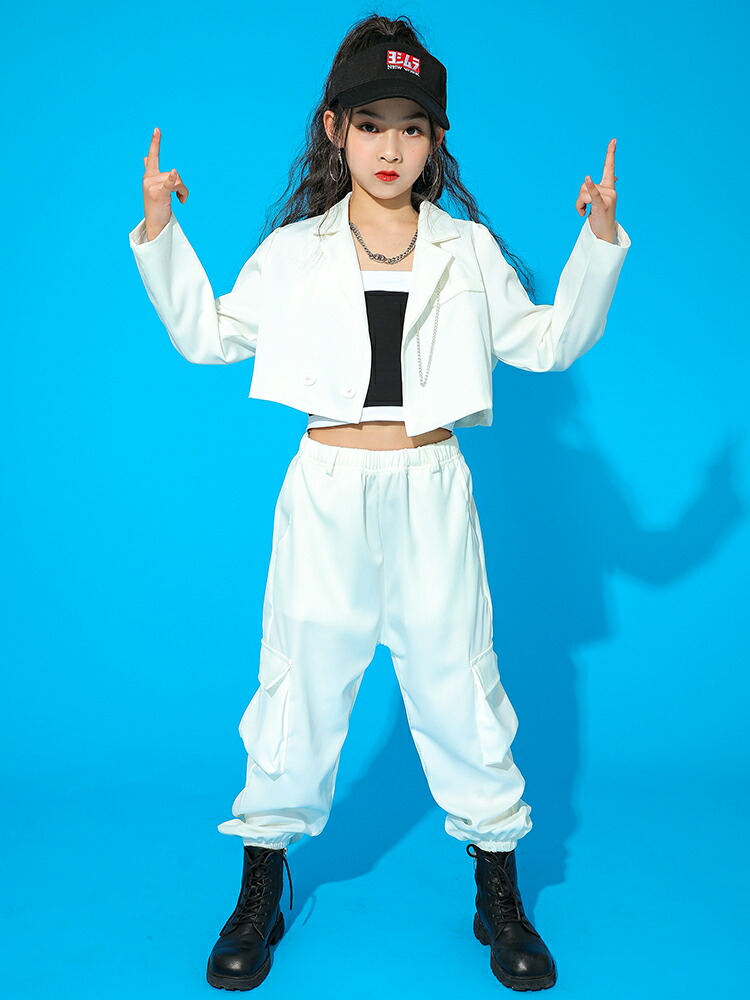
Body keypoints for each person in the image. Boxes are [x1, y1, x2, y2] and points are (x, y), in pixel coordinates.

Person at [128, 13, 630, 993]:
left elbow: (545, 342)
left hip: (430, 486)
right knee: (299, 680)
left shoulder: (467, 249)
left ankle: (497, 887)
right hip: (327, 489)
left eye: (411, 126)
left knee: (460, 682)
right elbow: (209, 335)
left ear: (436, 138)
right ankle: (261, 883)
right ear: (335, 130)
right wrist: (160, 230)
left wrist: (599, 241)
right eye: (369, 124)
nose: (390, 146)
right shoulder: (295, 252)